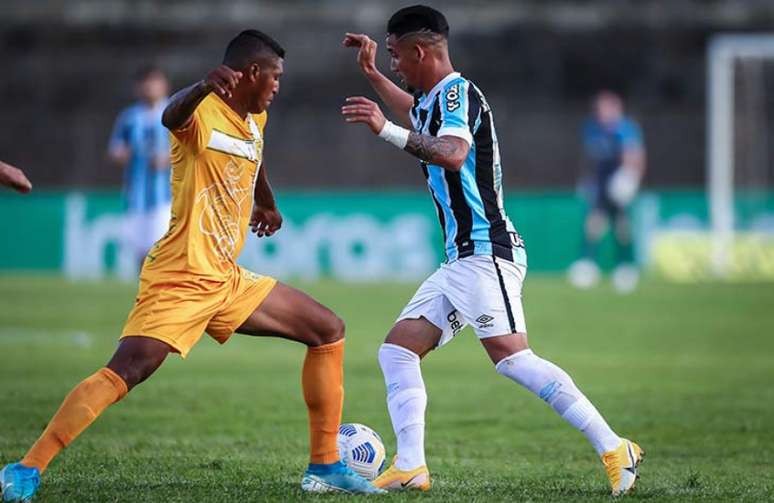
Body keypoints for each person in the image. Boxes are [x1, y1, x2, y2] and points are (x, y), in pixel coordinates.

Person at [0, 30, 382, 502]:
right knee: (129, 370)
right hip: (180, 276)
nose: (279, 85)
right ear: (253, 73)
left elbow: (253, 154)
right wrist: (202, 85)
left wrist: (267, 202)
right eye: (275, 76)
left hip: (225, 276)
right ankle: (25, 467)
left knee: (327, 329)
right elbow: (169, 115)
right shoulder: (200, 112)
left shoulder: (255, 117)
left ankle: (324, 465)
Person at [342, 5, 643, 496]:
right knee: (397, 350)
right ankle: (411, 465)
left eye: (395, 55)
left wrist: (384, 130)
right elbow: (413, 111)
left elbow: (454, 153)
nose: (394, 64)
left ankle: (615, 446)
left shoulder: (458, 93)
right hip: (461, 258)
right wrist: (374, 75)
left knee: (512, 358)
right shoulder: (435, 98)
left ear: (420, 51)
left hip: (487, 252)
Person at [568, 90, 646, 293]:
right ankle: (587, 265)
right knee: (594, 224)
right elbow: (589, 158)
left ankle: (626, 267)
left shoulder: (625, 129)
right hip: (601, 184)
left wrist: (630, 177)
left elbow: (634, 154)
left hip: (619, 182)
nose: (602, 112)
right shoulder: (592, 129)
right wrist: (586, 180)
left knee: (622, 226)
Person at [108, 66, 173, 267]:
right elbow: (115, 149)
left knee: (162, 251)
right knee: (142, 254)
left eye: (154, 82)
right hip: (136, 196)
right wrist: (121, 154)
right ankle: (147, 295)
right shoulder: (129, 117)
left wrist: (168, 158)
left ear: (164, 85)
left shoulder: (175, 111)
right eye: (146, 83)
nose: (150, 87)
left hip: (167, 196)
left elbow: (191, 148)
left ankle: (164, 294)